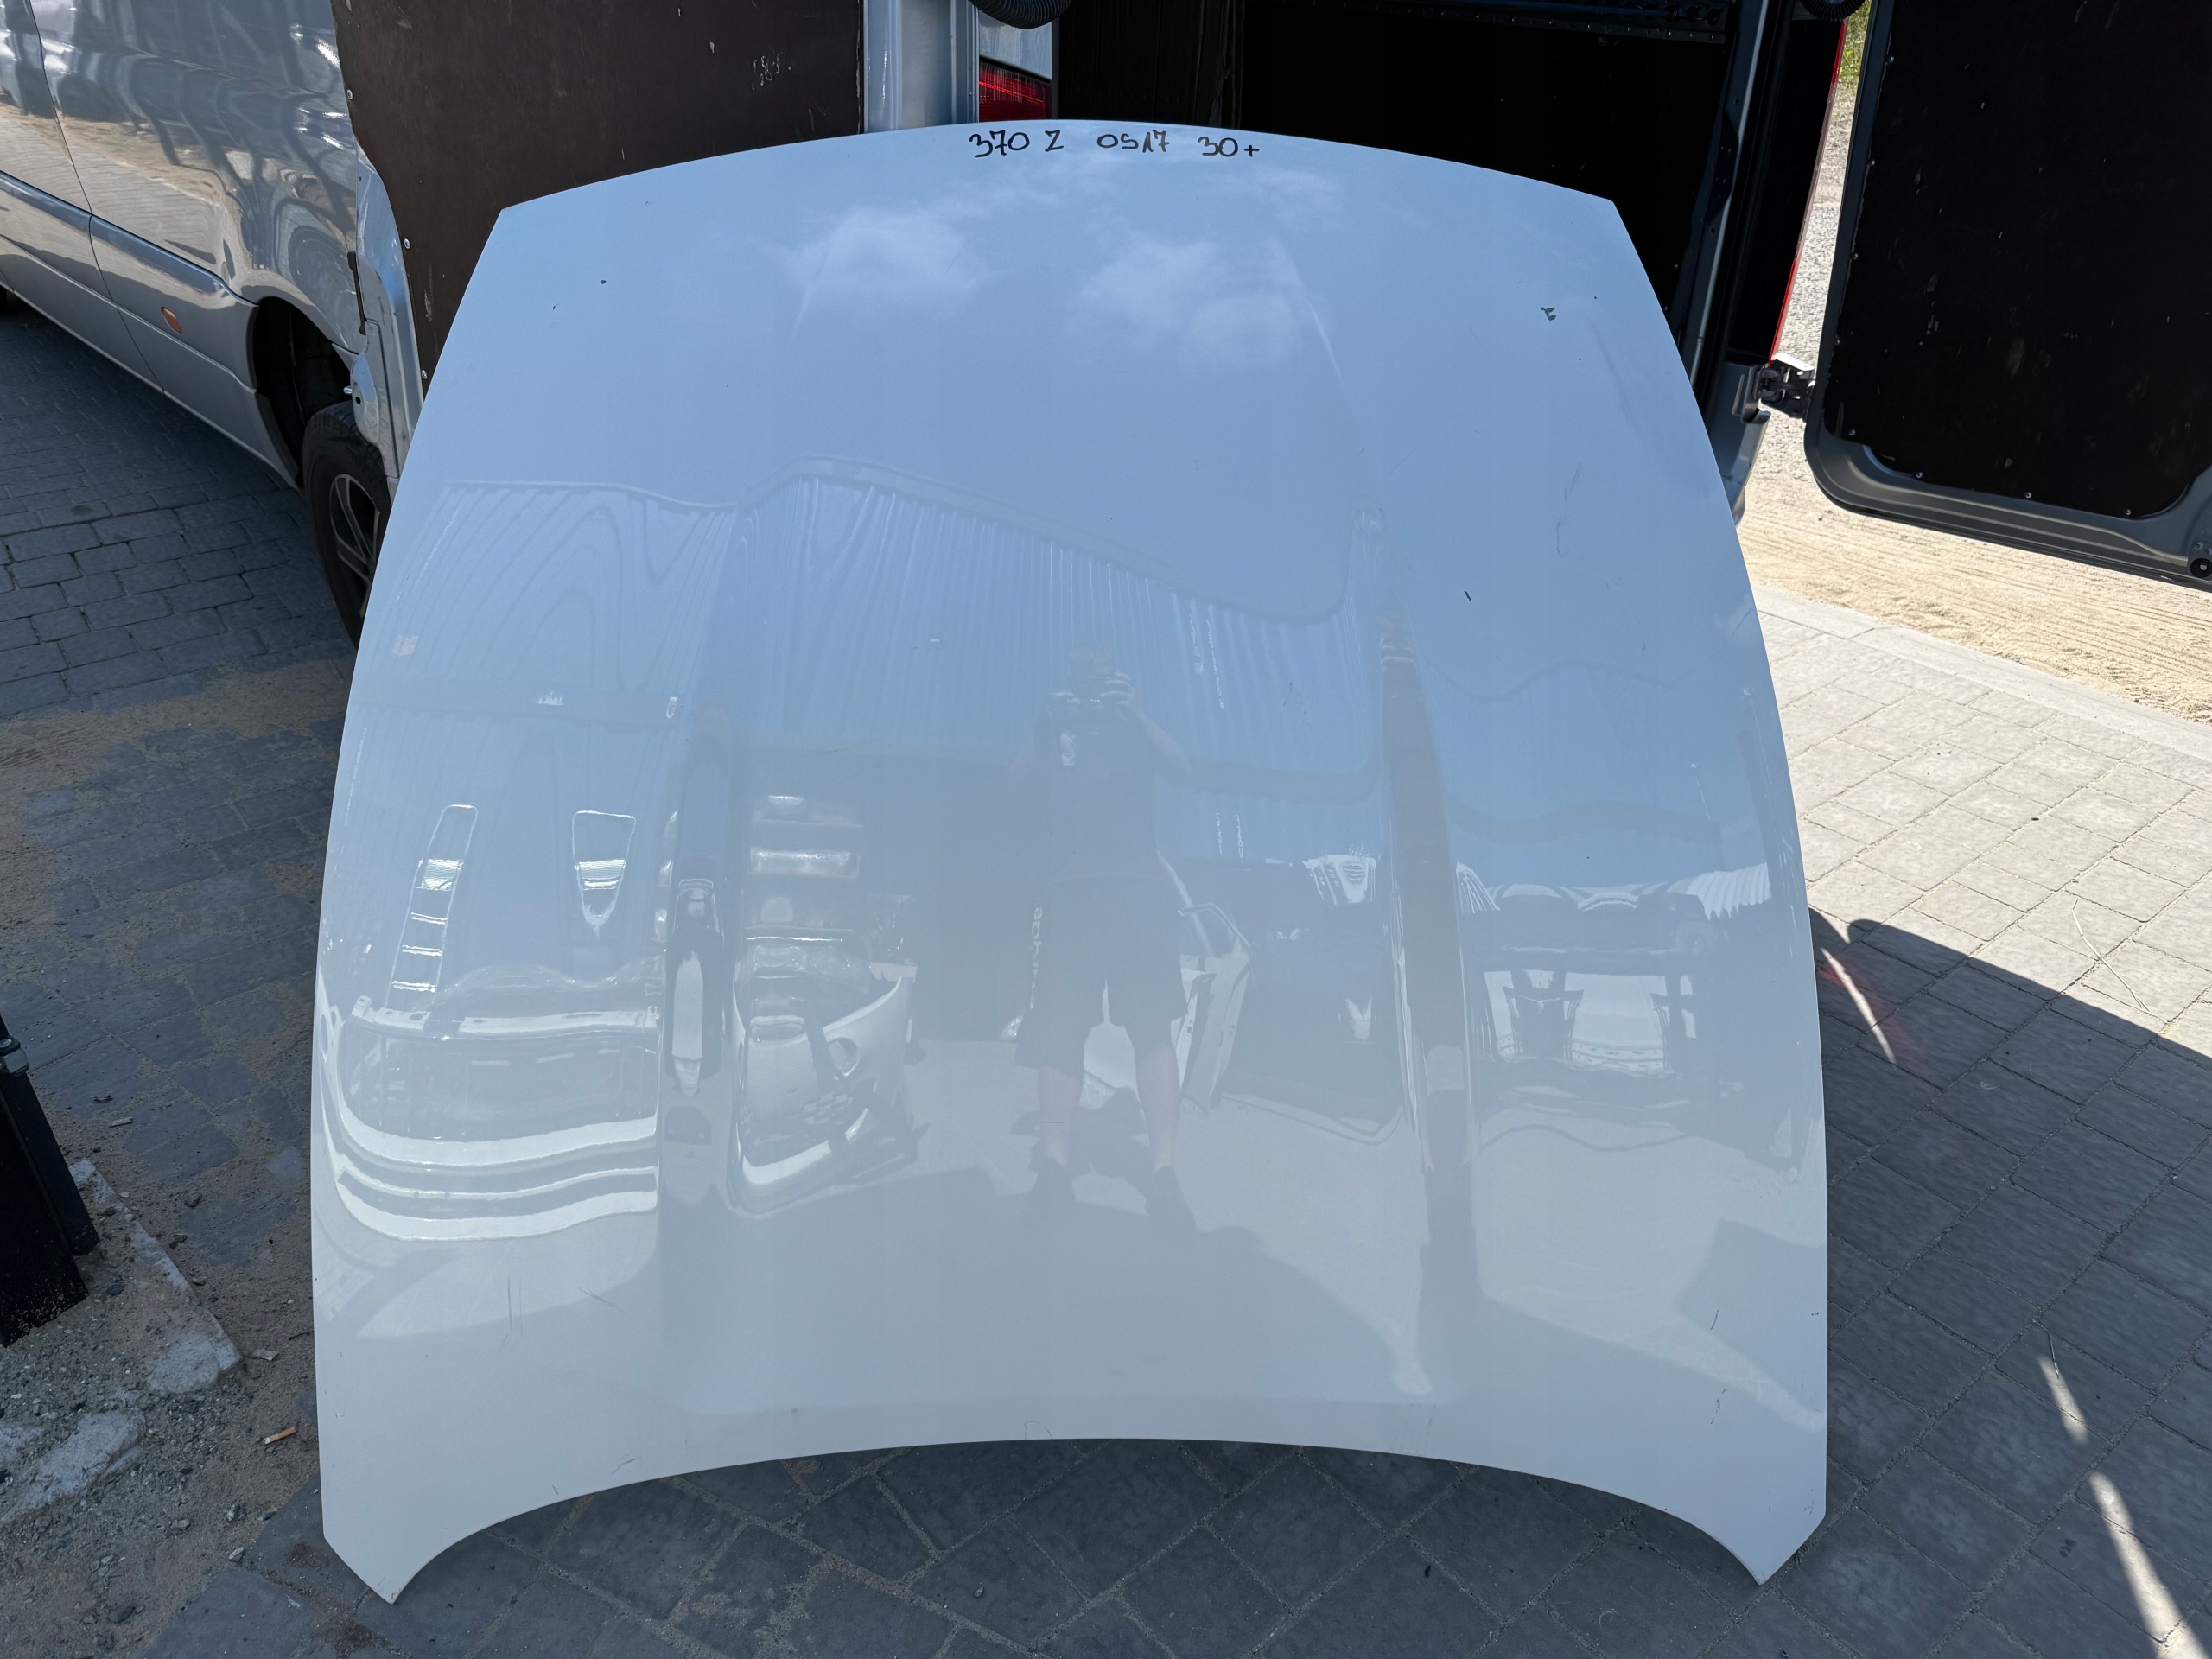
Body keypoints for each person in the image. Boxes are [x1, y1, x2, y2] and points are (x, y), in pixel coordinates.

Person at [1013, 646, 1195, 1227]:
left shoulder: (1136, 728)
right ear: (1072, 680)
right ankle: (1054, 1167)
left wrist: (1136, 713)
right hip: (1072, 898)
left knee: (1151, 1030)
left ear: (1120, 679)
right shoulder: (1056, 733)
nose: (1095, 686)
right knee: (1060, 1034)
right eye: (1085, 676)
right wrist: (1042, 728)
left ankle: (1163, 1173)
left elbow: (1184, 769)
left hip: (1139, 895)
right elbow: (1013, 787)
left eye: (1105, 676)